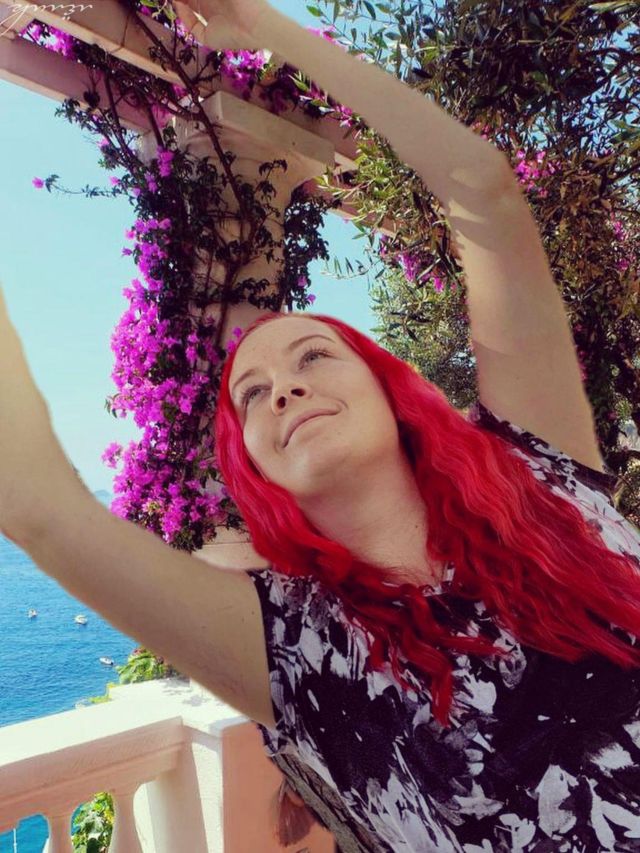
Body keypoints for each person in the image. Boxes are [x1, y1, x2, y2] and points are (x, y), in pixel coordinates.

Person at [1, 0, 639, 850]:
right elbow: (38, 504)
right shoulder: (289, 646)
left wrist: (258, 27)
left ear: (388, 386)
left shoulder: (536, 469)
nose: (285, 390)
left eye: (313, 356)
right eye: (252, 394)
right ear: (251, 464)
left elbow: (482, 190)